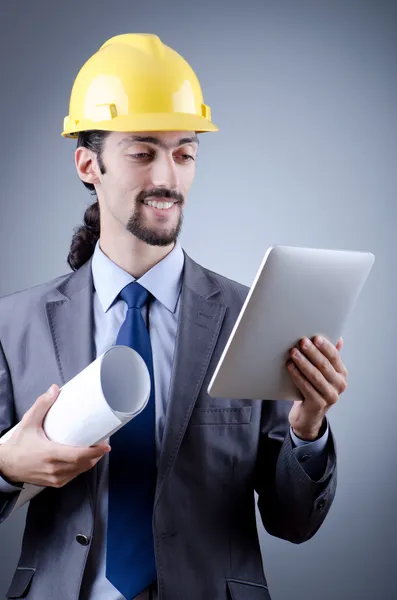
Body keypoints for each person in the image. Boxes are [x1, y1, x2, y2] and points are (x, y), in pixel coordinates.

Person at [0, 34, 347, 600]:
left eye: (184, 152)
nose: (169, 177)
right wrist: (7, 467)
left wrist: (308, 425)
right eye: (143, 152)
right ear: (89, 163)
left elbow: (294, 522)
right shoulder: (13, 327)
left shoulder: (249, 317)